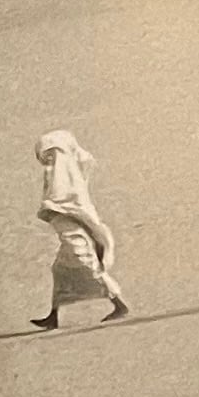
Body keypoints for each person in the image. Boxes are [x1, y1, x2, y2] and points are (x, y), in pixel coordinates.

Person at [30, 129, 130, 328]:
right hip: (67, 230)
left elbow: (77, 210)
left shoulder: (69, 184)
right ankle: (53, 315)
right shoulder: (59, 179)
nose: (47, 162)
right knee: (61, 270)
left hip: (74, 232)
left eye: (51, 156)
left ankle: (119, 303)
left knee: (86, 263)